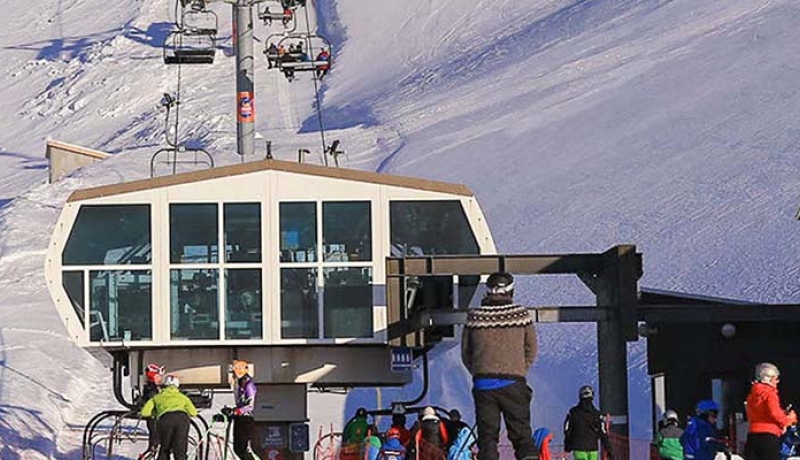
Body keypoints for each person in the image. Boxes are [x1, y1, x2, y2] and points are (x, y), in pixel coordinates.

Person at [461, 272, 538, 460]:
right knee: (521, 435)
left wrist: (479, 372)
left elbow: (466, 353)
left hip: (483, 384)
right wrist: (519, 369)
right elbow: (531, 348)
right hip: (514, 382)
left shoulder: (475, 316)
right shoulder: (521, 314)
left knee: (487, 437)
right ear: (511, 291)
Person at [745, 362, 797, 460]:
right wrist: (788, 420)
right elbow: (775, 414)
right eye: (776, 379)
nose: (777, 382)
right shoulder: (770, 394)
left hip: (752, 435)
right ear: (770, 378)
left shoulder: (751, 395)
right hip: (768, 437)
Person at [140, 375, 198, 460]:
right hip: (182, 420)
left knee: (164, 448)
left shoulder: (156, 397)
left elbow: (144, 412)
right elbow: (194, 412)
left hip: (165, 419)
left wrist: (156, 412)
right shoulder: (183, 398)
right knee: (180, 450)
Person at [563, 385, 612, 460]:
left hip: (578, 447)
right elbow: (603, 432)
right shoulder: (597, 414)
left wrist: (567, 445)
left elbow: (567, 429)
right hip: (593, 448)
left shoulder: (573, 412)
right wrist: (609, 450)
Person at [231, 359, 258, 460]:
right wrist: (232, 411)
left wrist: (237, 411)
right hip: (239, 418)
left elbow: (250, 406)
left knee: (243, 448)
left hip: (246, 419)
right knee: (237, 449)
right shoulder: (239, 383)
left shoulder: (248, 385)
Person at [137, 363, 165, 459]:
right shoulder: (152, 389)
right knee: (154, 443)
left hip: (154, 419)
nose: (161, 378)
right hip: (154, 419)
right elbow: (153, 402)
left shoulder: (152, 388)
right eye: (159, 376)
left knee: (155, 443)